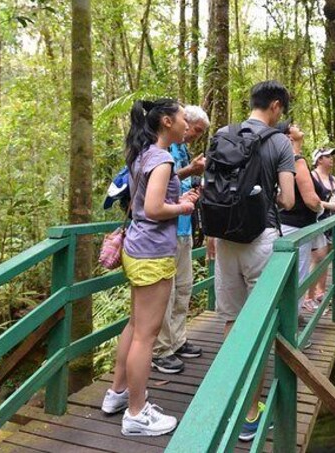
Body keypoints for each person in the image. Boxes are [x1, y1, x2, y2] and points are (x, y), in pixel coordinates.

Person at [100, 99, 199, 437]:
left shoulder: (142, 154)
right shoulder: (162, 158)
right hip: (152, 252)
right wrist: (183, 206)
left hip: (137, 248)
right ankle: (136, 413)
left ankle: (118, 393)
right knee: (147, 335)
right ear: (167, 122)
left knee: (136, 325)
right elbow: (154, 208)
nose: (187, 125)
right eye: (184, 119)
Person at [213, 80, 295, 441]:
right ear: (275, 106)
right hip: (260, 237)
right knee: (259, 323)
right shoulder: (280, 141)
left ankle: (233, 399)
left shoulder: (222, 134)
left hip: (225, 237)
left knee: (232, 319)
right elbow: (289, 200)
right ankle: (250, 414)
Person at [152, 105, 210, 375]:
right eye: (193, 128)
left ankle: (177, 340)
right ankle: (161, 350)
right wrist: (191, 170)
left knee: (184, 288)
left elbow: (179, 184)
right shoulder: (160, 148)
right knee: (168, 292)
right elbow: (160, 182)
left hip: (184, 228)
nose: (192, 133)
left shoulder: (182, 148)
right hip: (166, 231)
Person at [278, 123, 323, 309]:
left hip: (282, 224)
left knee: (285, 273)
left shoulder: (280, 159)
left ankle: (284, 319)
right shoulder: (297, 160)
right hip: (297, 227)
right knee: (298, 274)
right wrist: (322, 208)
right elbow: (311, 200)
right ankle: (291, 324)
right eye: (293, 125)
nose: (297, 125)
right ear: (289, 136)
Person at [307, 147, 335, 309]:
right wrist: (330, 205)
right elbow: (309, 200)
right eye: (327, 156)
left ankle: (320, 292)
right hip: (317, 222)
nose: (331, 159)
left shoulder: (332, 179)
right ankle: (309, 296)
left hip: (331, 223)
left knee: (326, 256)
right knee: (318, 258)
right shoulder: (312, 177)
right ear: (319, 160)